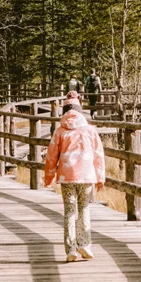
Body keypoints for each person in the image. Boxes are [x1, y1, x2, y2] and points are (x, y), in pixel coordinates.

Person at [45, 91, 105, 261]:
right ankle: (85, 244)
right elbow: (98, 155)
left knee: (70, 211)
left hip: (67, 176)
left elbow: (51, 156)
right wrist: (100, 177)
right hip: (86, 176)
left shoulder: (60, 131)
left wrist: (49, 177)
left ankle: (71, 248)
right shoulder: (90, 130)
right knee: (84, 209)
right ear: (80, 111)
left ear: (64, 111)